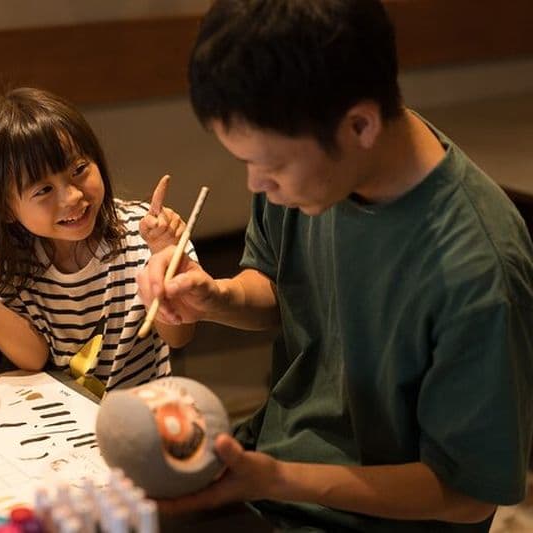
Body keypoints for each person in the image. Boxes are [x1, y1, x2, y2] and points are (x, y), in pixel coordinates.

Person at [136, 0, 533, 531]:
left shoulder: (477, 267)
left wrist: (276, 479)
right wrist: (216, 297)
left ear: (360, 125)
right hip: (275, 470)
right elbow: (279, 288)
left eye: (270, 165)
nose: (257, 185)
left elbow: (468, 494)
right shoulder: (310, 178)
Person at [0, 87, 195, 392]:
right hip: (59, 426)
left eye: (79, 170)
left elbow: (179, 338)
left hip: (144, 417)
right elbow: (34, 356)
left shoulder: (143, 233)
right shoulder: (2, 257)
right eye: (43, 190)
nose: (73, 196)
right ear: (6, 208)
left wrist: (165, 258)